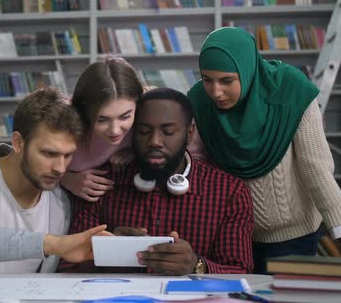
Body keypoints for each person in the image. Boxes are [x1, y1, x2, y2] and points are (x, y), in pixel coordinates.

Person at [187, 27, 341, 274]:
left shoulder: (291, 91)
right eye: (207, 79)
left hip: (295, 236)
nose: (216, 91)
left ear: (247, 70)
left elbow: (317, 170)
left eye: (227, 80)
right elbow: (196, 166)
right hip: (232, 239)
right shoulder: (198, 101)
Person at [60, 88, 254, 275]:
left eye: (168, 132)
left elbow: (240, 271)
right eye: (144, 131)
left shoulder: (229, 192)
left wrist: (197, 265)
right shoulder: (101, 183)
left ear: (189, 133)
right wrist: (106, 251)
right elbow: (67, 265)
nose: (154, 141)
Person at [0, 88, 107, 273]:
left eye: (68, 155)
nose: (60, 168)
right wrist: (54, 244)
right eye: (49, 153)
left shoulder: (61, 202)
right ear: (18, 142)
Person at [61, 57, 144, 202]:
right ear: (84, 111)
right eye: (102, 119)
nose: (115, 131)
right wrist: (66, 179)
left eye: (125, 117)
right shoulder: (63, 122)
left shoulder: (148, 114)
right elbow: (27, 163)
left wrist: (135, 151)